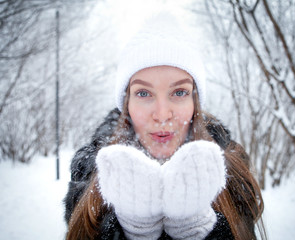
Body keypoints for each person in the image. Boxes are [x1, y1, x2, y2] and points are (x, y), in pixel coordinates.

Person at [64, 12, 265, 240]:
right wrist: (130, 229)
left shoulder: (231, 171)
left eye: (179, 92)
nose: (161, 115)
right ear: (127, 103)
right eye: (143, 93)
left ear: (194, 101)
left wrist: (199, 228)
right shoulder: (92, 173)